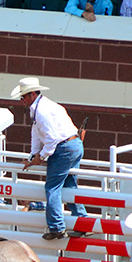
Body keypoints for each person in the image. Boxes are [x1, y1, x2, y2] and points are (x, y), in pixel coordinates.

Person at [13, 77, 87, 241]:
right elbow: (38, 134)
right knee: (69, 184)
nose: (22, 100)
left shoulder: (41, 111)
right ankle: (82, 222)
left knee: (52, 188)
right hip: (73, 144)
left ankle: (56, 227)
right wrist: (34, 155)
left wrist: (41, 156)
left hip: (64, 148)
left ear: (32, 94)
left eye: (24, 96)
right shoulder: (44, 107)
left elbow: (51, 139)